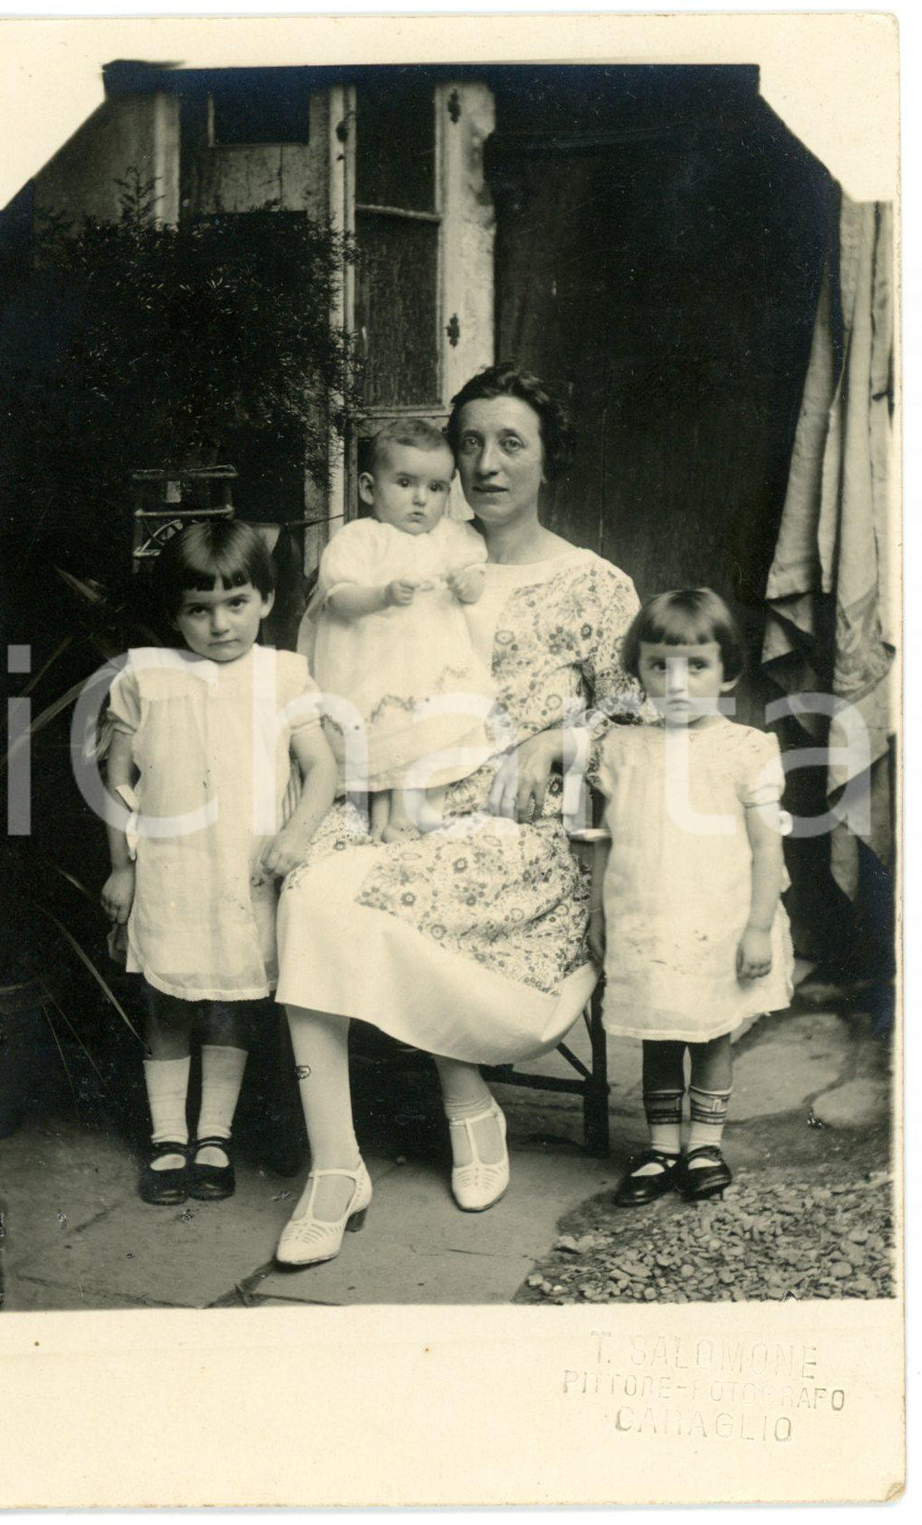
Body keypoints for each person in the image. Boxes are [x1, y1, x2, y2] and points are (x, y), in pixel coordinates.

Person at [273, 364, 645, 1267]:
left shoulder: (592, 583)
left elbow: (644, 709)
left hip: (519, 826)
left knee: (394, 889)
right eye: (470, 442)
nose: (486, 464)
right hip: (391, 794)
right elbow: (325, 647)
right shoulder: (406, 547)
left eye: (511, 442)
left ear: (549, 460)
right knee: (312, 890)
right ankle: (337, 1164)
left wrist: (561, 735)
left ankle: (466, 1100)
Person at [99, 520, 336, 1206]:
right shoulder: (147, 675)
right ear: (175, 613)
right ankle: (168, 1136)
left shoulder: (284, 673)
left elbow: (320, 770)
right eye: (198, 609)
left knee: (232, 999)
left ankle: (213, 1136)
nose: (219, 623)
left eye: (237, 602)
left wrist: (295, 834)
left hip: (245, 869)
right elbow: (119, 781)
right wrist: (123, 866)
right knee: (167, 998)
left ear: (266, 599)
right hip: (170, 868)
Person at [587, 588, 794, 1206]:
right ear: (640, 670)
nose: (677, 684)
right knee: (659, 1033)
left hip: (717, 920)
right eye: (660, 667)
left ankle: (704, 1142)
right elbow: (605, 838)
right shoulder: (624, 748)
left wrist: (757, 926)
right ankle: (661, 1146)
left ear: (728, 670)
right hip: (646, 917)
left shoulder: (744, 749)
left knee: (710, 1033)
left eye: (695, 667)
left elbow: (766, 850)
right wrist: (597, 911)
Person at [300, 417, 492, 841]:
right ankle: (381, 816)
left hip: (425, 665)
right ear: (369, 489)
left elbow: (475, 574)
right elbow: (338, 597)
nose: (421, 500)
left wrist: (468, 584)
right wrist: (382, 595)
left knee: (421, 735)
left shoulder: (449, 538)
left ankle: (404, 817)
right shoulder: (359, 538)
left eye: (437, 488)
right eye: (405, 483)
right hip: (370, 667)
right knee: (381, 740)